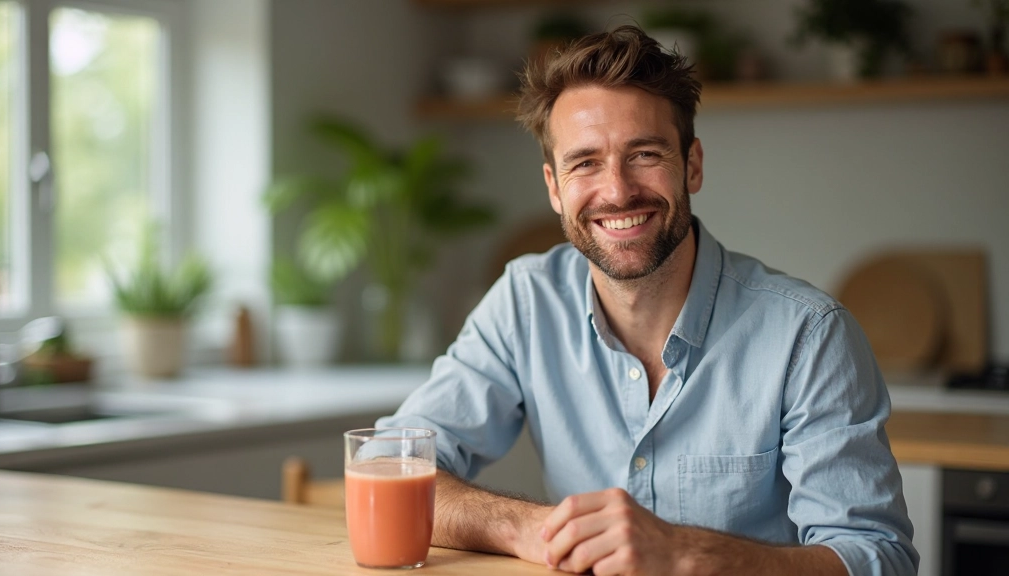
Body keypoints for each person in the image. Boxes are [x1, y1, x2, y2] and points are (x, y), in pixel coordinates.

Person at [378, 25, 917, 576]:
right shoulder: (525, 301)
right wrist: (536, 531)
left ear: (693, 165)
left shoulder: (808, 334)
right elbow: (388, 466)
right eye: (585, 162)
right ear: (554, 188)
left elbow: (878, 557)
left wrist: (688, 554)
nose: (617, 190)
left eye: (644, 154)